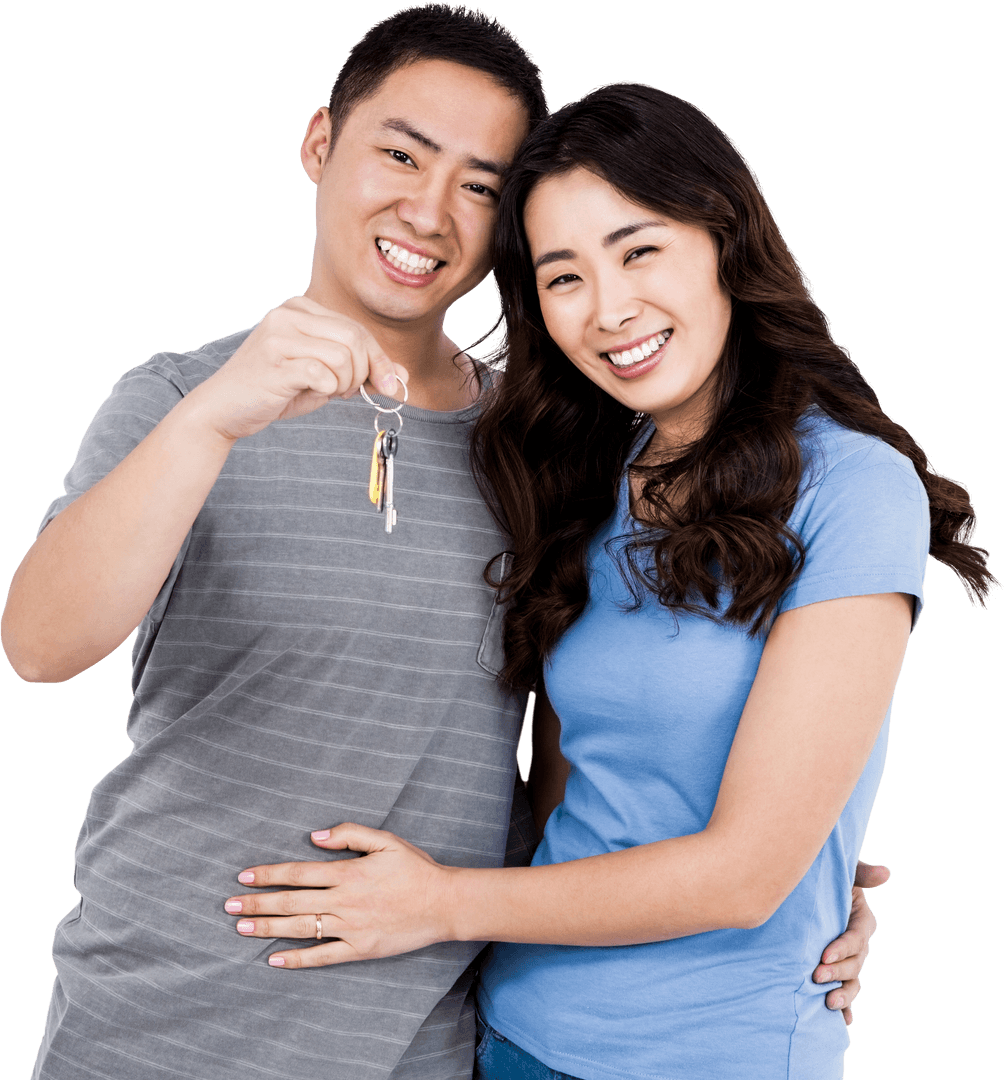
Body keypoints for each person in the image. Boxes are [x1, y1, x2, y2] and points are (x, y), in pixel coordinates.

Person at [2, 7, 885, 1076]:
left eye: (481, 186)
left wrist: (799, 872)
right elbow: (42, 647)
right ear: (321, 144)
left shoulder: (549, 441)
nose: (429, 212)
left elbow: (609, 728)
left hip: (430, 1040)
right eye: (401, 154)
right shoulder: (178, 398)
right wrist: (213, 422)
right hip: (164, 1024)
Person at [221, 83, 999, 1080]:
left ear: (723, 239)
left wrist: (439, 902)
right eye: (563, 276)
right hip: (511, 1033)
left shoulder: (853, 487)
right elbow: (566, 796)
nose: (609, 309)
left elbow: (747, 875)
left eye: (640, 251)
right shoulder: (584, 476)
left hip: (715, 1054)